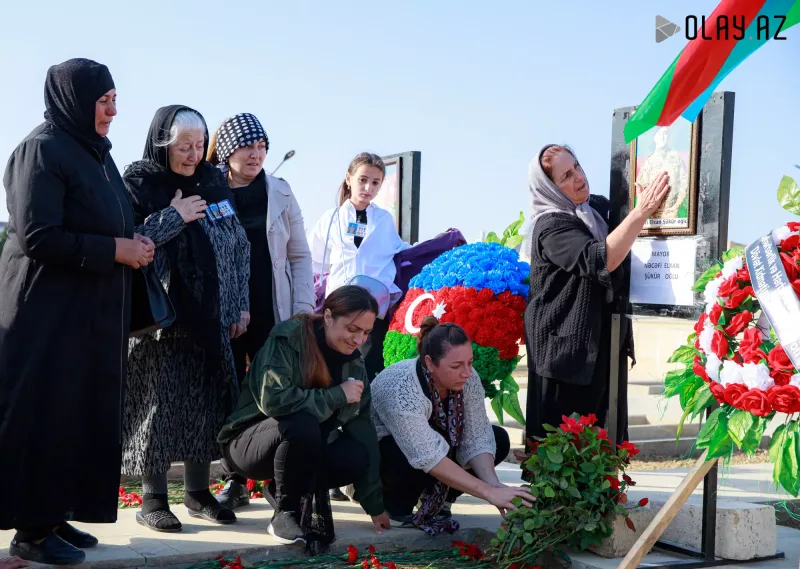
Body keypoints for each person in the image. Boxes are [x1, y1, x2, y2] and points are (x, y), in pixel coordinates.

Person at [0, 58, 154, 565]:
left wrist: (132, 242)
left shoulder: (94, 153)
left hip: (87, 314)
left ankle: (53, 511)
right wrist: (114, 250)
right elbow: (38, 234)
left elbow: (102, 219)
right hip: (45, 314)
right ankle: (31, 529)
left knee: (76, 413)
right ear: (74, 100)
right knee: (46, 412)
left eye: (113, 98)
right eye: (103, 100)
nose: (113, 110)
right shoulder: (41, 150)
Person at [121, 105, 251, 532]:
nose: (194, 154)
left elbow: (236, 249)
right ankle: (153, 499)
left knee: (203, 404)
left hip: (211, 316)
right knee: (156, 410)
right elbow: (132, 245)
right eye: (184, 146)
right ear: (163, 143)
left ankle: (197, 493)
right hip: (161, 321)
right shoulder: (140, 182)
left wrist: (238, 305)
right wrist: (174, 216)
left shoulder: (214, 182)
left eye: (199, 144)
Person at [218, 285, 391, 549]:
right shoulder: (288, 338)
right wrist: (337, 396)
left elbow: (363, 427)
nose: (358, 340)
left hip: (301, 445)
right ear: (329, 316)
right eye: (352, 329)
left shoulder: (354, 364)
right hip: (248, 444)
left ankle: (279, 488)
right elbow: (274, 400)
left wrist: (375, 506)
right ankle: (285, 512)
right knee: (303, 422)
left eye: (366, 333)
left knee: (356, 455)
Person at [523, 144, 669, 444]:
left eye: (576, 166)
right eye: (566, 176)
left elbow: (626, 222)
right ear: (550, 188)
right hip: (564, 356)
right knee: (562, 451)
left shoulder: (596, 210)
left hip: (599, 344)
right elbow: (601, 258)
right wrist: (641, 211)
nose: (578, 177)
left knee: (601, 446)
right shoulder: (551, 226)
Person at [206, 113, 315, 511]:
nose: (256, 155)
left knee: (271, 393)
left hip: (274, 310)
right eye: (246, 147)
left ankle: (275, 476)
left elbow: (300, 256)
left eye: (261, 146)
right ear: (227, 150)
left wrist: (302, 311)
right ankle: (234, 479)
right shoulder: (211, 190)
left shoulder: (281, 192)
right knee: (230, 393)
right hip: (225, 312)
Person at [307, 152, 411, 503]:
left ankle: (359, 470)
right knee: (331, 384)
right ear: (349, 178)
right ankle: (329, 468)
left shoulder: (384, 221)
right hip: (335, 318)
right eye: (363, 180)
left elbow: (400, 258)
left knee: (363, 387)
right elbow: (312, 263)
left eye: (376, 182)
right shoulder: (331, 219)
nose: (368, 188)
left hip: (370, 321)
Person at [370, 317, 534, 535]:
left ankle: (444, 499)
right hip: (385, 458)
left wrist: (496, 487)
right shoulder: (400, 387)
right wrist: (487, 492)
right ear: (429, 363)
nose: (466, 372)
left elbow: (477, 436)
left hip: (433, 447)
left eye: (470, 362)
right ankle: (395, 504)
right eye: (456, 366)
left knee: (497, 439)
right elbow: (427, 454)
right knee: (404, 456)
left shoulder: (469, 378)